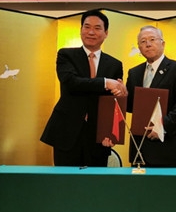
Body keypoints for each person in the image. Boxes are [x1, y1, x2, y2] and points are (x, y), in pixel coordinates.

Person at [41, 10, 127, 167]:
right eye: (87, 27)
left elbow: (113, 103)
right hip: (66, 132)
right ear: (81, 30)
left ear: (106, 33)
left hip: (99, 137)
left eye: (97, 28)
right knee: (64, 179)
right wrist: (105, 83)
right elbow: (71, 83)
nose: (91, 32)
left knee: (95, 181)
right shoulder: (66, 55)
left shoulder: (115, 64)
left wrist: (112, 132)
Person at [125, 26, 176, 167]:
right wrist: (121, 93)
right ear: (139, 47)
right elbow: (132, 106)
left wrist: (163, 126)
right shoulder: (134, 72)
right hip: (140, 147)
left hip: (168, 146)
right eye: (143, 41)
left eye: (152, 39)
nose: (148, 44)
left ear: (163, 43)